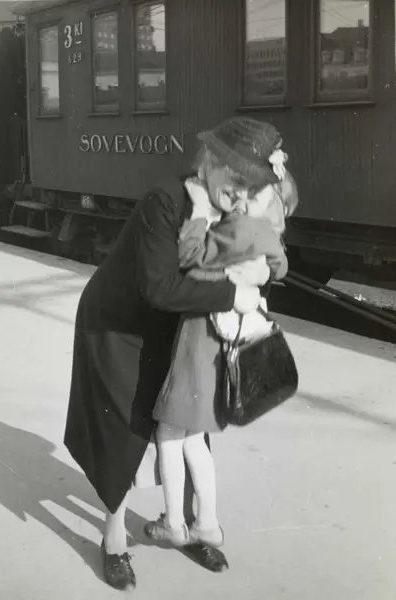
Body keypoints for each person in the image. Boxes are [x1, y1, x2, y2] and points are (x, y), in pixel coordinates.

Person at [64, 116, 266, 591]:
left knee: (188, 420)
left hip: (176, 324)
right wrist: (230, 295)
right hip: (118, 323)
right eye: (235, 182)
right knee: (128, 425)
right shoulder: (164, 201)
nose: (240, 196)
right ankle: (114, 538)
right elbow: (158, 287)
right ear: (211, 162)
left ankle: (191, 526)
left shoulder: (225, 207)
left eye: (248, 189)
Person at [145, 126, 298, 549]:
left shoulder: (236, 228)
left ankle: (174, 524)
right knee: (195, 439)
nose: (242, 197)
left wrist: (198, 211)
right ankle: (207, 524)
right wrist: (264, 271)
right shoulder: (266, 236)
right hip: (221, 350)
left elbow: (189, 258)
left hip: (197, 343)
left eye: (252, 192)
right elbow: (281, 266)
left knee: (168, 434)